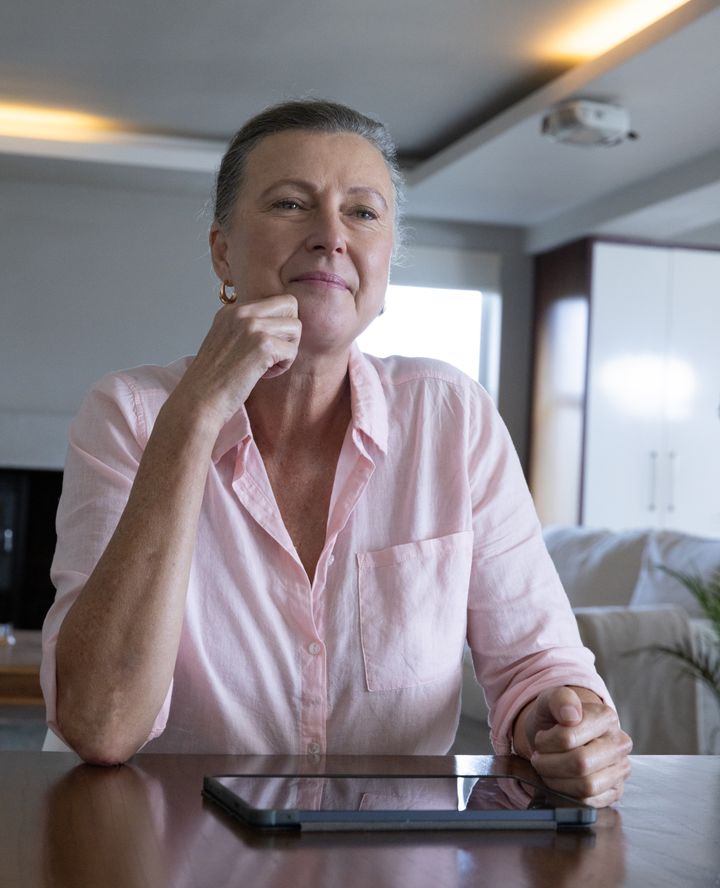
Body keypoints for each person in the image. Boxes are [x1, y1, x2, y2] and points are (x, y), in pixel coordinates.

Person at [41, 99, 631, 806]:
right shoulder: (132, 414)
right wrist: (194, 418)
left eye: (362, 212)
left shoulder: (451, 415)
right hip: (177, 854)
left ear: (385, 262)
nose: (330, 237)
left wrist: (564, 725)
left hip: (390, 858)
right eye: (291, 203)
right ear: (223, 250)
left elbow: (537, 663)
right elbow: (99, 724)